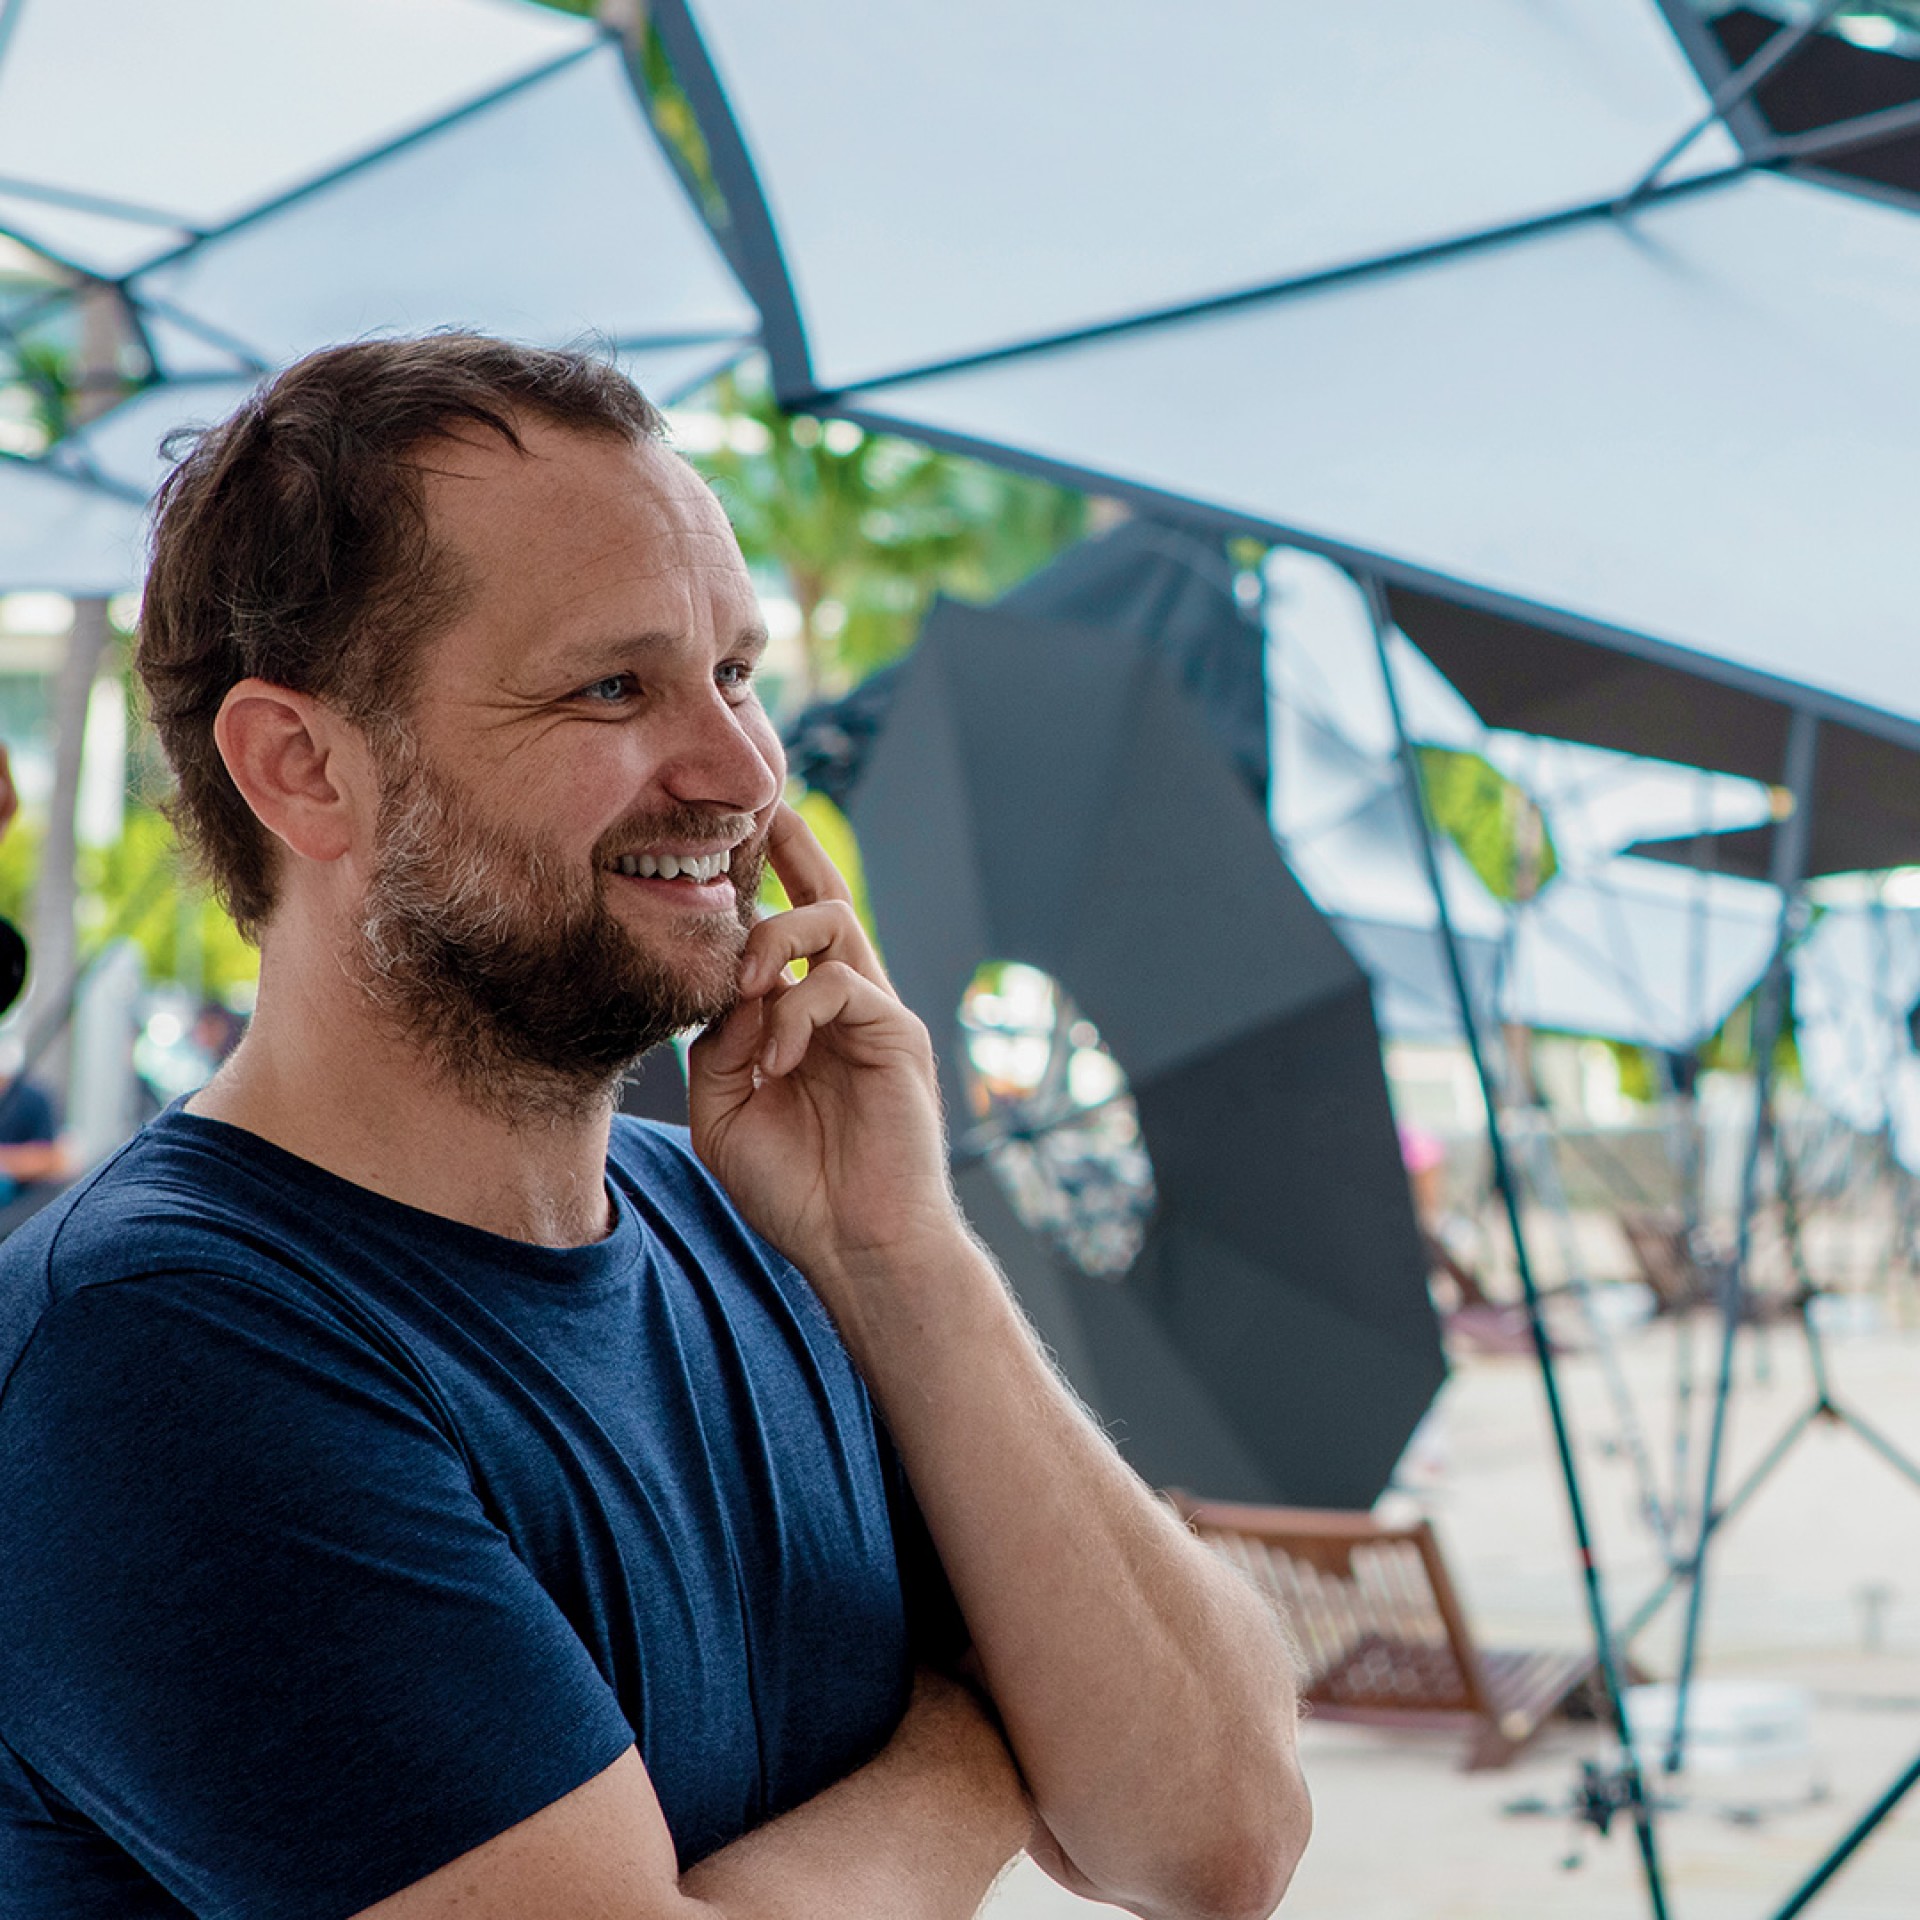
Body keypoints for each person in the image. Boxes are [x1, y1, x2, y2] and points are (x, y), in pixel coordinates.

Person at [0, 336, 1309, 1919]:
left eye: (737, 673)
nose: (743, 772)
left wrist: (903, 1253)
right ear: (302, 768)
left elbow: (1219, 1837)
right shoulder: (152, 1347)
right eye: (613, 686)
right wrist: (977, 1746)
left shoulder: (756, 1226)